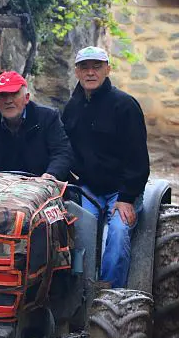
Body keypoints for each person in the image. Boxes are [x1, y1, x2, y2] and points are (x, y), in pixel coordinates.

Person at [62, 46, 150, 288]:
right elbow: (64, 150)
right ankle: (77, 291)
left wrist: (126, 197)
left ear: (108, 69)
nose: (91, 73)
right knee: (70, 229)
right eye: (85, 67)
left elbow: (138, 157)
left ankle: (109, 293)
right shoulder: (72, 109)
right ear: (77, 72)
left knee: (119, 232)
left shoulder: (125, 106)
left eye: (97, 67)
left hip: (120, 191)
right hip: (87, 189)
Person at [0, 71, 73, 181]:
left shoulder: (48, 118)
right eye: (2, 95)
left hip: (41, 186)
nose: (8, 101)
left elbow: (62, 153)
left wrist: (51, 175)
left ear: (27, 98)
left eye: (14, 94)